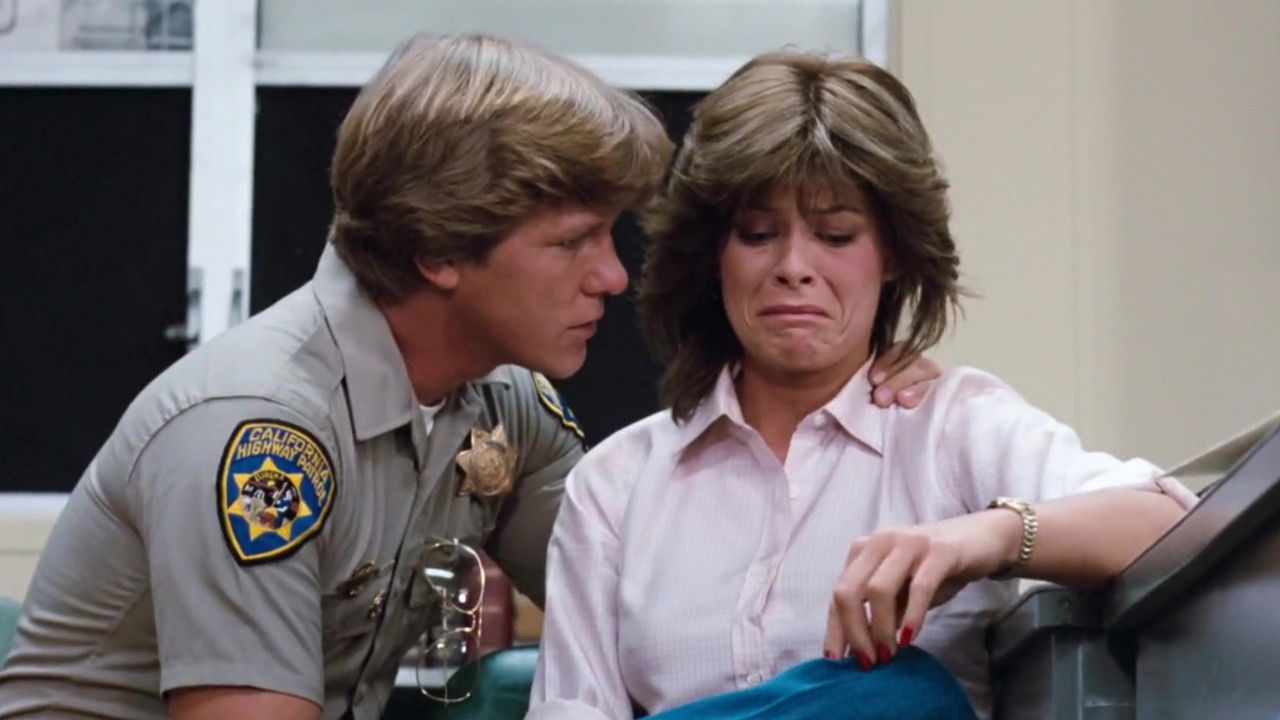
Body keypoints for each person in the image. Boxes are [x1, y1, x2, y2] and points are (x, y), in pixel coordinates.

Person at [0, 35, 935, 720]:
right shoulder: (258, 432)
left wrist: (838, 384)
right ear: (439, 251)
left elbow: (662, 599)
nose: (612, 276)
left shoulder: (501, 406)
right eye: (572, 242)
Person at [526, 49, 1196, 720]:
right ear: (713, 255)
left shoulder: (954, 425)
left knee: (906, 693)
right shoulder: (616, 484)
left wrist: (983, 538)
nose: (794, 266)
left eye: (836, 234)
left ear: (894, 252)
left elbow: (1171, 526)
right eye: (757, 234)